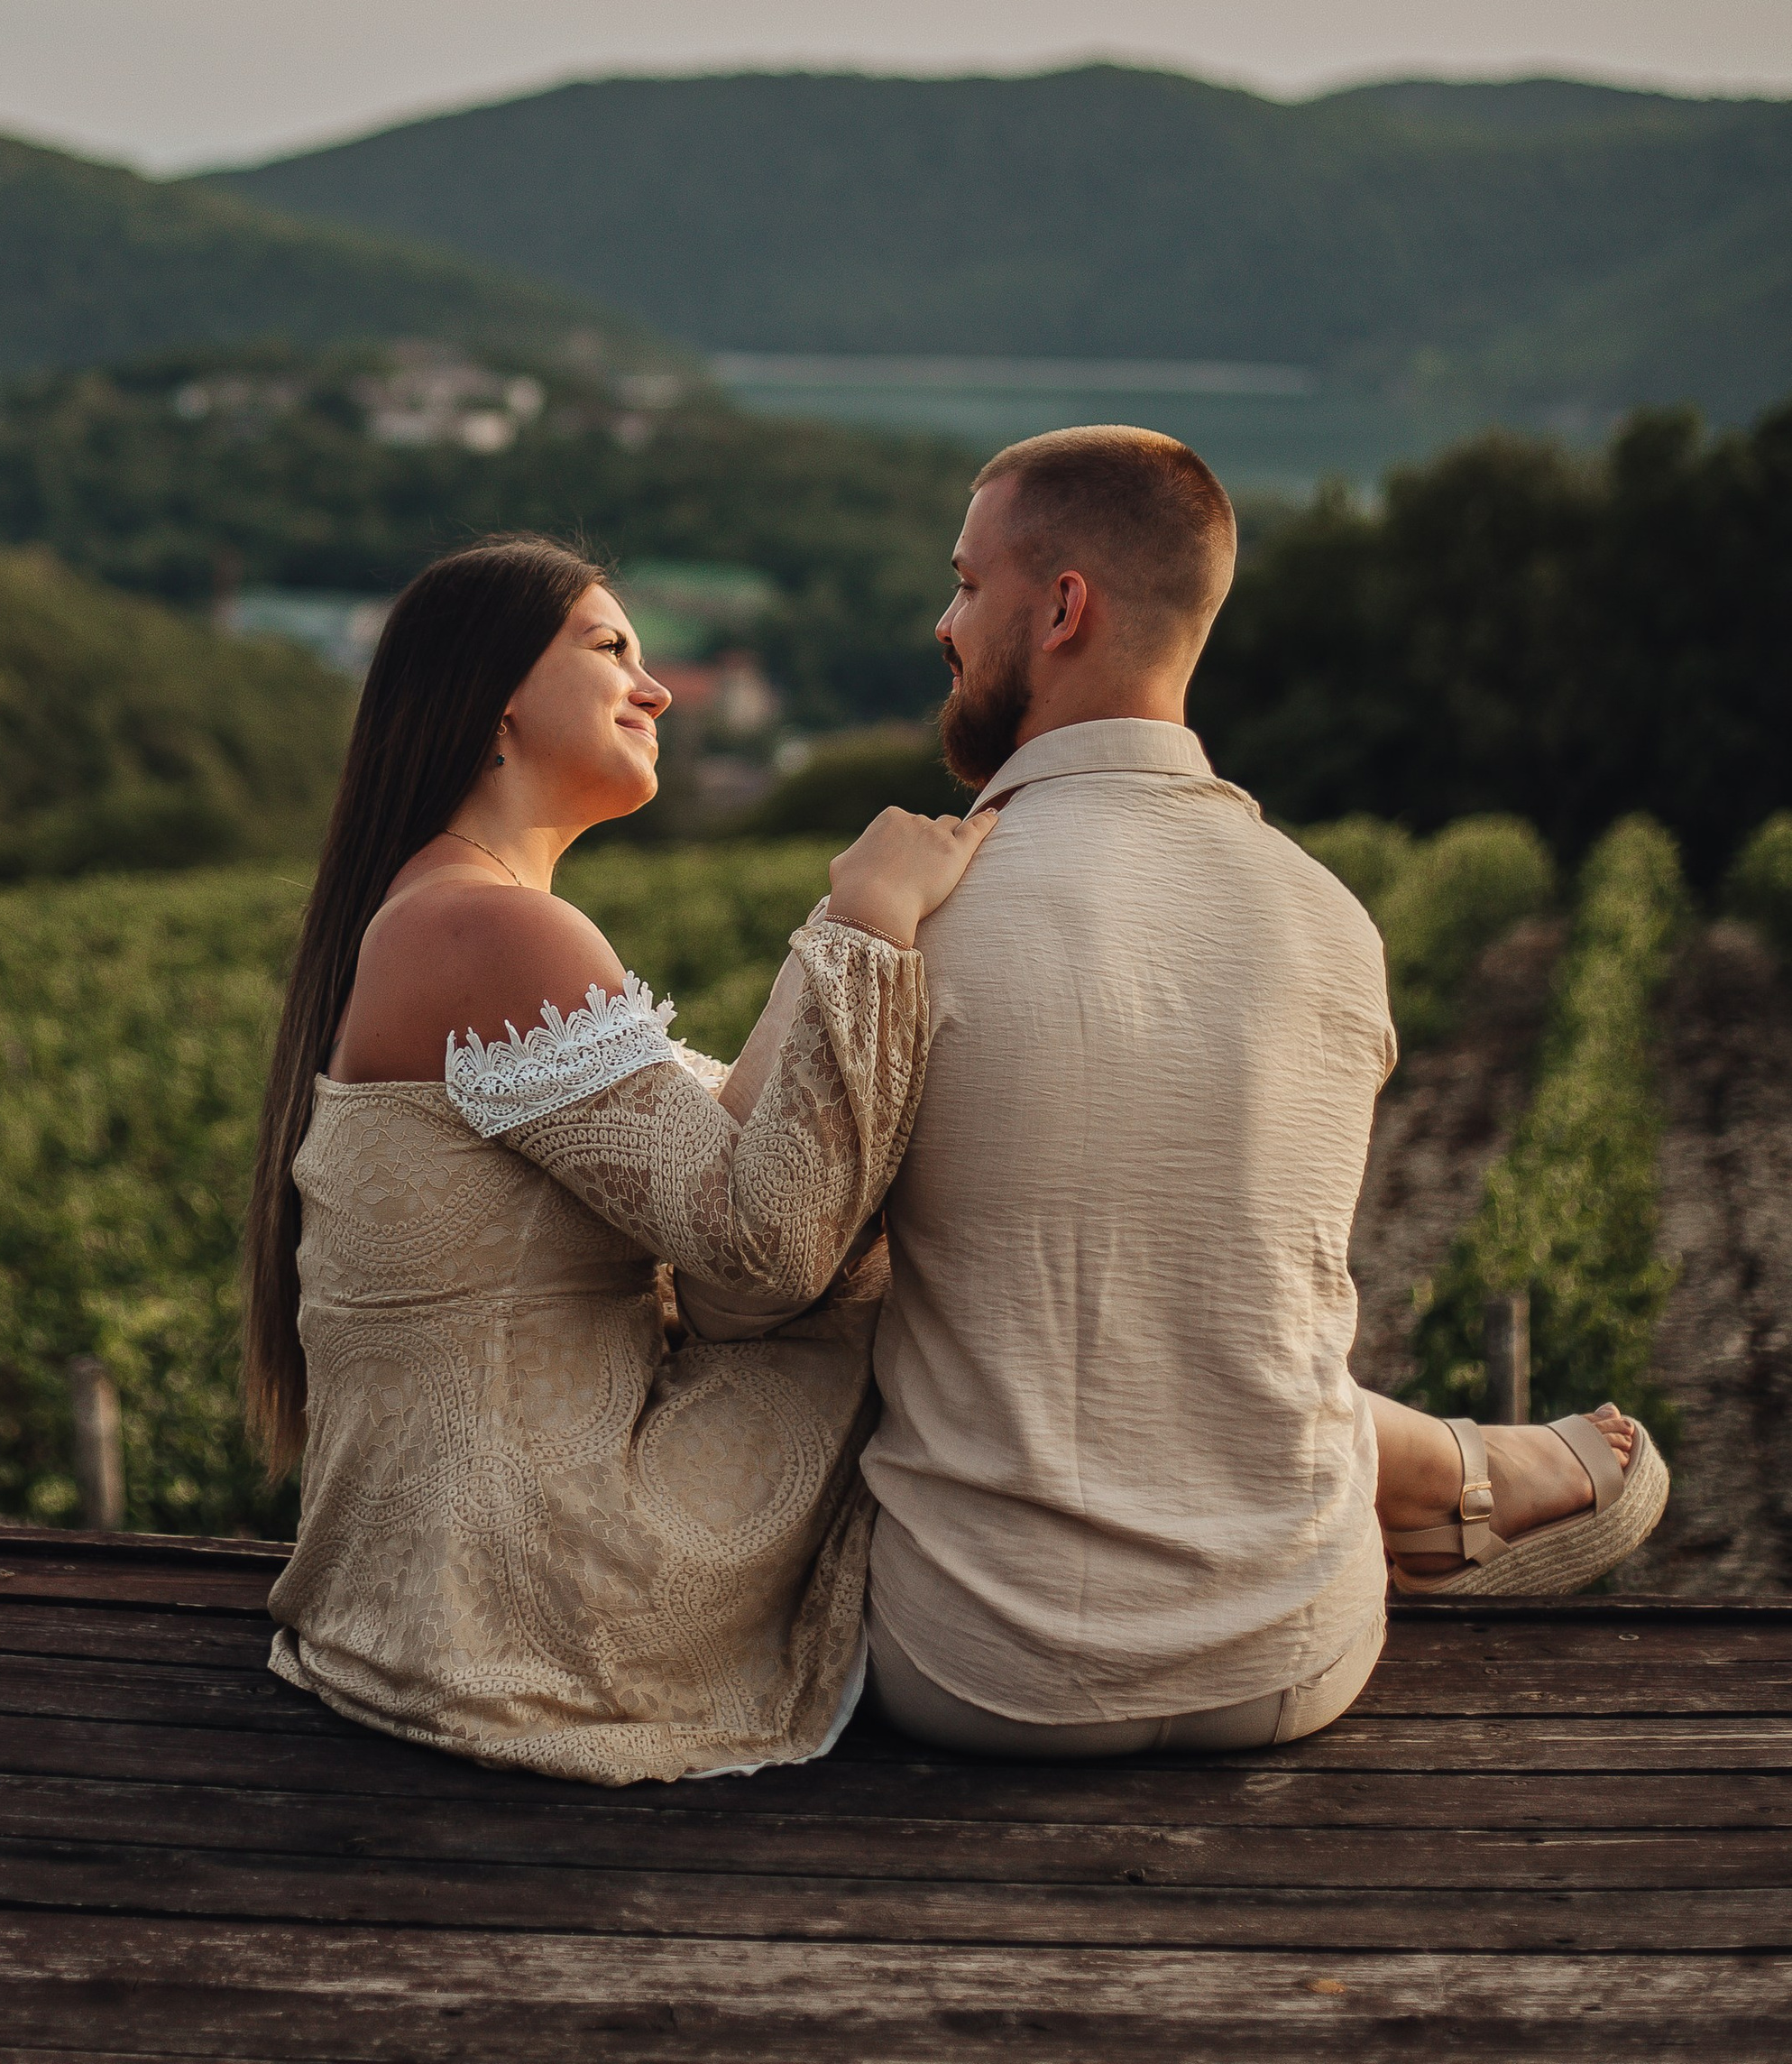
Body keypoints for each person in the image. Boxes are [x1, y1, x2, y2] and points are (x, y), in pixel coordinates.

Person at [856, 425, 1670, 1761]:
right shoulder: (1333, 922)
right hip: (1298, 1657)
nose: (945, 625)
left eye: (965, 585)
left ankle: (1456, 1472)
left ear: (1061, 610)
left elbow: (748, 1278)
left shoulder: (909, 914)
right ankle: (1454, 1477)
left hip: (980, 1675)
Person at [243, 532, 998, 1786]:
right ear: (496, 701)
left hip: (430, 1605)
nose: (655, 689)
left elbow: (720, 1140)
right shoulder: (491, 929)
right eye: (610, 649)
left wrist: (835, 924)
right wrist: (871, 921)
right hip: (539, 1608)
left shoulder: (445, 911)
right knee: (925, 1259)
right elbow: (765, 1248)